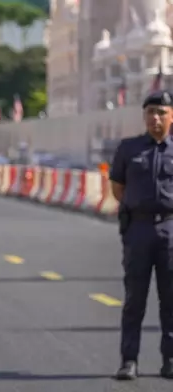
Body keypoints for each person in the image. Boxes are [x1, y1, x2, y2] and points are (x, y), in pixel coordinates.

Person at [109, 89, 173, 381]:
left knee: (170, 299)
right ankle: (129, 360)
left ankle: (169, 361)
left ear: (171, 116)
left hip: (170, 229)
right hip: (139, 229)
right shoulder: (129, 148)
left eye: (161, 112)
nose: (155, 118)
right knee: (135, 299)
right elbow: (118, 188)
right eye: (150, 112)